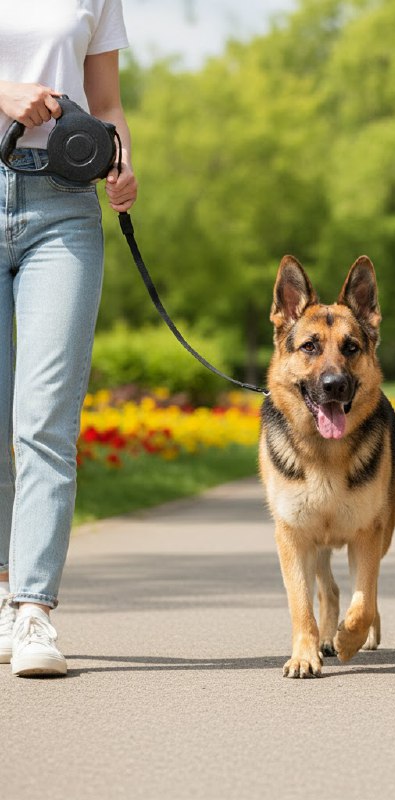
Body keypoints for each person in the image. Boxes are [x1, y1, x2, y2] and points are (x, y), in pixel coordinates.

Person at [0, 1, 137, 677]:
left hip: (64, 204)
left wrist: (121, 157)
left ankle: (33, 610)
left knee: (45, 419)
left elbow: (105, 98)